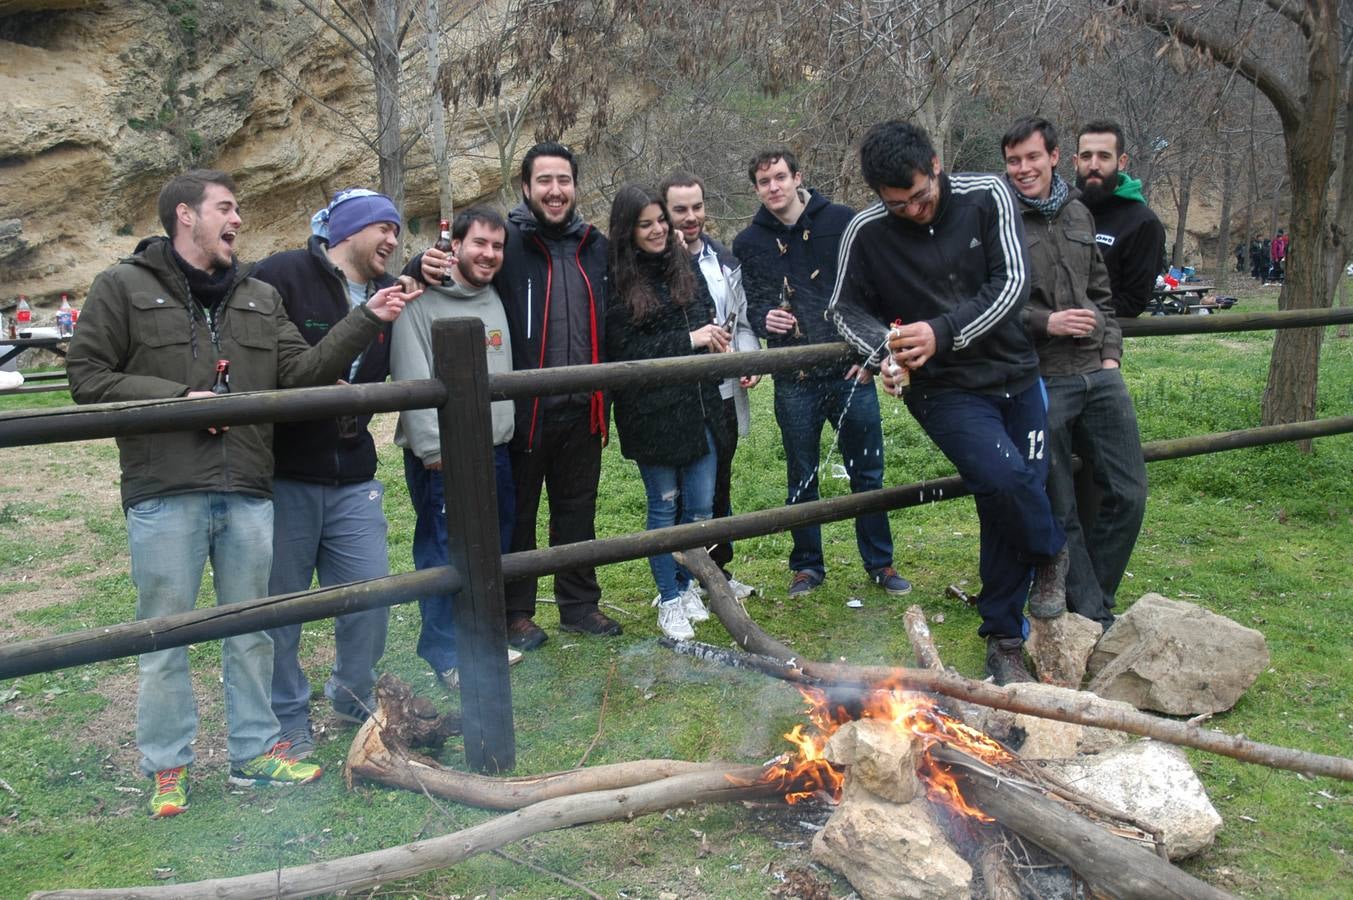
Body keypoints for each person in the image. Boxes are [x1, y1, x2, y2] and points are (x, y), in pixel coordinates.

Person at [66, 169, 414, 817]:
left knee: (252, 628)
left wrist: (366, 318)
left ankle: (255, 752)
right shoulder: (122, 286)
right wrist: (177, 403)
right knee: (165, 633)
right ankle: (167, 766)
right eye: (226, 208)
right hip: (164, 488)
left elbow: (303, 371)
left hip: (250, 486)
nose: (238, 220)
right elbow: (86, 376)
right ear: (184, 217)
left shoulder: (258, 295)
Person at [827, 121, 1067, 685]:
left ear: (935, 164)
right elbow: (842, 308)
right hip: (945, 391)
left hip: (1016, 372)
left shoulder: (989, 195)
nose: (913, 211)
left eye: (920, 196)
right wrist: (885, 350)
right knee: (1005, 480)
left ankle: (1004, 640)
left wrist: (942, 331)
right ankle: (1052, 548)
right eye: (897, 205)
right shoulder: (865, 231)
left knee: (1006, 498)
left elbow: (1011, 285)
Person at [412, 142, 619, 650]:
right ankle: (516, 611)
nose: (555, 190)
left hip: (585, 407)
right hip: (523, 411)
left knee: (578, 510)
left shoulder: (597, 246)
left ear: (575, 186)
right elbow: (457, 264)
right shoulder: (509, 246)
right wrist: (420, 261)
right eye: (544, 181)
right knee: (519, 513)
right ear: (526, 188)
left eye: (563, 180)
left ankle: (579, 604)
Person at [251, 188, 418, 755]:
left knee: (371, 597)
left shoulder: (387, 294)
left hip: (353, 469)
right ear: (348, 230)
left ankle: (352, 696)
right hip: (286, 469)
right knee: (283, 608)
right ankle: (286, 718)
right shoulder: (280, 275)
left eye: (398, 231)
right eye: (384, 228)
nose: (393, 240)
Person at [733, 148, 911, 600]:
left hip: (851, 371)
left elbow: (871, 291)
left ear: (798, 177)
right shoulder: (749, 242)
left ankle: (880, 563)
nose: (773, 188)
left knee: (867, 472)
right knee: (802, 475)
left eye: (779, 178)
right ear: (756, 188)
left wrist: (871, 359)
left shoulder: (842, 222)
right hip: (794, 378)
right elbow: (749, 304)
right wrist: (763, 318)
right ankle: (807, 567)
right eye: (763, 181)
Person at [1001, 116, 1147, 629]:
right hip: (1043, 377)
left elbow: (1102, 295)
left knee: (1128, 494)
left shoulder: (1078, 213)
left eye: (1032, 158)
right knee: (1060, 503)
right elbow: (991, 305)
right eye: (1014, 161)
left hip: (1098, 372)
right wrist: (1048, 322)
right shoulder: (1001, 220)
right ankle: (1093, 617)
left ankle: (1090, 601)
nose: (1023, 169)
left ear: (1054, 156)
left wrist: (1110, 354)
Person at [392, 206, 523, 688]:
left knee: (491, 546)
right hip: (444, 453)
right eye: (479, 244)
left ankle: (483, 640)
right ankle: (445, 651)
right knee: (444, 551)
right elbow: (409, 374)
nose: (489, 254)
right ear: (456, 245)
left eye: (497, 246)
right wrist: (431, 450)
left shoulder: (494, 295)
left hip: (496, 446)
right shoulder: (419, 299)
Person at [604, 184, 732, 639]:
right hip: (652, 416)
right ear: (628, 230)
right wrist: (692, 339)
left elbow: (704, 320)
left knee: (698, 510)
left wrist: (714, 336)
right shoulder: (616, 281)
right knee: (664, 512)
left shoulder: (685, 267)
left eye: (661, 220)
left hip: (700, 408)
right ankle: (669, 600)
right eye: (646, 223)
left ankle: (687, 583)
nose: (659, 229)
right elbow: (624, 350)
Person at [660, 170, 762, 599]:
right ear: (664, 212)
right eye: (680, 209)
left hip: (723, 390)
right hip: (679, 395)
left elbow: (739, 319)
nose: (690, 216)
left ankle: (718, 571)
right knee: (681, 492)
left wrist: (749, 356)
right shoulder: (655, 263)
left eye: (696, 207)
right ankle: (677, 580)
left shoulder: (723, 258)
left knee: (720, 482)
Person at [1073, 120, 1166, 318]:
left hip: (1100, 340)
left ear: (1121, 161)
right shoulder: (1058, 212)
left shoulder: (1142, 223)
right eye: (1086, 156)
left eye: (1104, 156)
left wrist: (1072, 316)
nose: (1094, 165)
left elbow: (1133, 301)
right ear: (1075, 161)